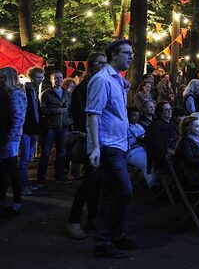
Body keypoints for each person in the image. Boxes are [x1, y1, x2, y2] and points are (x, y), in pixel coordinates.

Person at [87, 39, 136, 258]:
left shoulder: (118, 81)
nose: (131, 56)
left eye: (132, 53)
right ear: (113, 55)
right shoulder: (102, 80)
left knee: (110, 194)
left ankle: (113, 237)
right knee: (123, 192)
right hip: (108, 146)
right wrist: (95, 147)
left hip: (120, 144)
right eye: (127, 53)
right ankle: (105, 239)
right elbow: (93, 114)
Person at [65, 52, 106, 240]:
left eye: (106, 63)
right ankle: (74, 220)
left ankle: (92, 218)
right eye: (101, 63)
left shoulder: (100, 83)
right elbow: (83, 116)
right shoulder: (83, 88)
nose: (104, 66)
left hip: (100, 140)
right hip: (88, 140)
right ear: (91, 66)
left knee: (96, 183)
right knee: (89, 182)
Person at [0, 67, 27, 216]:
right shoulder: (9, 93)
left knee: (12, 170)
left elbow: (18, 118)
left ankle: (17, 202)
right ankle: (3, 199)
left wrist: (10, 136)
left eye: (2, 78)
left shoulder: (16, 93)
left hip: (12, 138)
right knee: (4, 170)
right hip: (8, 137)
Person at [38, 70, 72, 185]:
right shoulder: (46, 94)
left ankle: (59, 176)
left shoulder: (67, 94)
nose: (59, 80)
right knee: (46, 152)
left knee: (62, 152)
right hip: (50, 127)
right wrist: (55, 111)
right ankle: (41, 178)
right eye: (56, 78)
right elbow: (42, 110)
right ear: (51, 80)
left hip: (64, 127)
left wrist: (70, 120)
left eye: (60, 78)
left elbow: (71, 109)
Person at [19, 67, 44, 196]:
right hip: (26, 129)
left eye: (42, 77)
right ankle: (22, 185)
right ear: (32, 77)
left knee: (28, 157)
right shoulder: (26, 90)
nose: (40, 80)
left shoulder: (34, 91)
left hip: (33, 129)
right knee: (24, 158)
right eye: (38, 77)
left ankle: (25, 183)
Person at [145, 101, 179, 175]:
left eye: (170, 109)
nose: (170, 111)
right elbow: (159, 146)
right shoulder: (156, 125)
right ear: (160, 113)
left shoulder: (172, 123)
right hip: (168, 159)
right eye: (166, 110)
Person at [126, 108, 156, 189]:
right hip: (133, 151)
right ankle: (153, 186)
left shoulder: (139, 126)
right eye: (134, 115)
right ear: (128, 115)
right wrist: (136, 139)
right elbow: (123, 143)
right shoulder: (124, 127)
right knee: (147, 164)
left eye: (138, 116)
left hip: (144, 148)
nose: (136, 118)